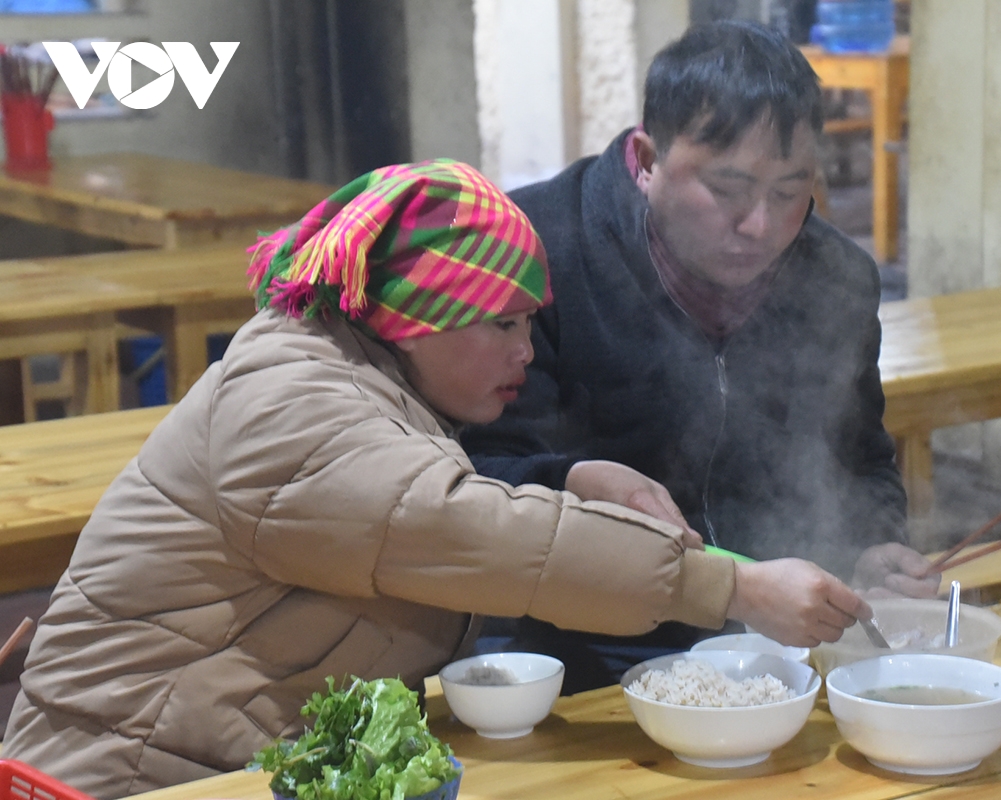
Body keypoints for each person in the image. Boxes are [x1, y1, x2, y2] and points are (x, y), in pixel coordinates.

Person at [2, 160, 872, 799]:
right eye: (501, 323)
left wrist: (572, 473)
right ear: (414, 318)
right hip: (112, 781)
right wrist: (733, 585)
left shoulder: (351, 372)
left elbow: (421, 511)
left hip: (210, 769)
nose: (527, 352)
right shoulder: (290, 403)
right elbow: (468, 531)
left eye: (532, 321)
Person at [462, 21, 937, 691]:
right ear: (648, 157)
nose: (759, 227)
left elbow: (860, 458)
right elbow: (478, 480)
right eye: (728, 189)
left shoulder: (838, 278)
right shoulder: (537, 258)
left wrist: (871, 546)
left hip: (775, 655)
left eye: (788, 191)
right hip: (568, 653)